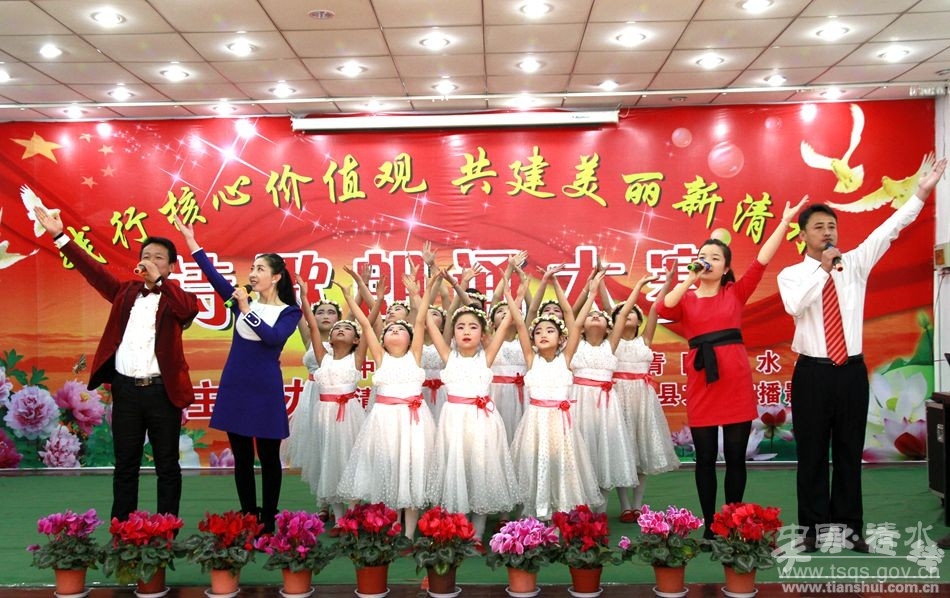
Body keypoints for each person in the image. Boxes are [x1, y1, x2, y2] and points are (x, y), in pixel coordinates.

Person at [778, 157, 946, 553]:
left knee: (849, 453)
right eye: (819, 227)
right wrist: (823, 270)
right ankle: (812, 530)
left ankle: (850, 529)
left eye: (831, 226)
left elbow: (890, 228)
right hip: (812, 374)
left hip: (851, 372)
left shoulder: (854, 263)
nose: (827, 232)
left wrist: (920, 193)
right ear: (803, 235)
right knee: (812, 456)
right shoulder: (792, 275)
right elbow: (794, 307)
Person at [33, 206, 199, 521]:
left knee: (167, 465)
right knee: (125, 465)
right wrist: (60, 236)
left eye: (158, 258)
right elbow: (93, 271)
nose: (150, 261)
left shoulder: (179, 297)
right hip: (126, 392)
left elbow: (188, 311)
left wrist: (159, 282)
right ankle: (122, 528)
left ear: (171, 267)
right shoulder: (125, 292)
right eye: (146, 256)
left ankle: (167, 529)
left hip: (162, 392)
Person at [657, 197, 806, 537]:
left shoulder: (735, 293)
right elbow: (665, 308)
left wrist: (784, 222)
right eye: (703, 256)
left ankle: (732, 521)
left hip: (734, 380)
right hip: (702, 382)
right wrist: (689, 279)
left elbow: (762, 260)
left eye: (715, 257)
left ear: (725, 268)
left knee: (737, 458)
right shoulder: (687, 298)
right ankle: (710, 525)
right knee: (705, 458)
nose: (707, 261)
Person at [175, 217, 302, 533]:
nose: (253, 273)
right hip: (236, 386)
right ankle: (248, 517)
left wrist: (247, 309)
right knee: (242, 457)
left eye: (260, 269)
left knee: (269, 457)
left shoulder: (289, 311)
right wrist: (192, 242)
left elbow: (273, 338)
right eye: (252, 268)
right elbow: (212, 276)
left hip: (266, 389)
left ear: (275, 277)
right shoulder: (240, 300)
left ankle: (269, 519)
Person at [337, 268, 439, 537]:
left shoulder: (414, 355)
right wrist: (349, 296)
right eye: (390, 329)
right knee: (388, 467)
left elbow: (420, 320)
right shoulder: (381, 358)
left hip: (412, 422)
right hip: (383, 420)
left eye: (400, 329)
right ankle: (391, 525)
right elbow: (365, 323)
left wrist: (421, 292)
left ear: (411, 340)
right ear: (382, 340)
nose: (394, 330)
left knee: (411, 469)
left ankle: (408, 533)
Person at [508, 273, 604, 519]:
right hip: (535, 423)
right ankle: (536, 516)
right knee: (536, 464)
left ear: (561, 338)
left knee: (562, 465)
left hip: (561, 424)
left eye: (550, 330)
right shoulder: (531, 359)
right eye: (539, 331)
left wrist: (592, 293)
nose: (543, 334)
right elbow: (520, 324)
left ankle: (562, 514)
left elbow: (575, 321)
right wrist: (513, 297)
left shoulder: (566, 358)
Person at [424, 298, 522, 540]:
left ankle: (477, 533)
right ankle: (458, 526)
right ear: (452, 333)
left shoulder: (486, 357)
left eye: (473, 327)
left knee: (481, 469)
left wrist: (516, 297)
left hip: (482, 422)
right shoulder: (448, 356)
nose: (466, 331)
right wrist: (419, 297)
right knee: (456, 468)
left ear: (483, 333)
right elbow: (428, 322)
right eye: (460, 327)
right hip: (453, 421)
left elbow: (506, 323)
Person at [294, 274, 381, 524]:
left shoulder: (356, 358)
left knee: (351, 459)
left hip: (350, 416)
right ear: (330, 340)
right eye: (337, 329)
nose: (341, 329)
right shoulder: (323, 357)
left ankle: (352, 512)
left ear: (356, 340)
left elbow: (367, 324)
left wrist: (376, 298)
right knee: (329, 461)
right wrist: (304, 296)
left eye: (346, 328)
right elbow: (312, 326)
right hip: (325, 416)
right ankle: (340, 516)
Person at [609, 273, 680, 522]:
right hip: (618, 398)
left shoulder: (645, 340)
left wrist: (667, 284)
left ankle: (638, 505)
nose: (626, 314)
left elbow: (656, 309)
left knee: (641, 450)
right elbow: (610, 307)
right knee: (622, 451)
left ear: (639, 320)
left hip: (643, 400)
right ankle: (625, 505)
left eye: (631, 312)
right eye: (621, 313)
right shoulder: (612, 342)